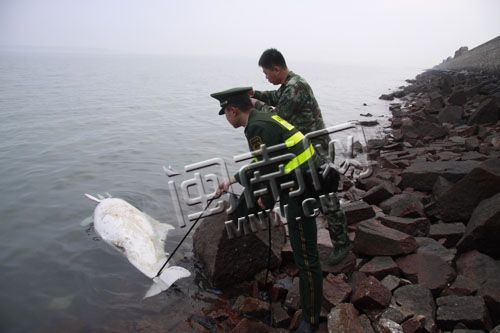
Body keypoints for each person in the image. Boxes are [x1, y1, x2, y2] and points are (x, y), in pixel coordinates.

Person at [211, 87, 323, 332]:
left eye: (225, 113)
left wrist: (268, 197)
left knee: (306, 256)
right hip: (302, 180)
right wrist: (232, 179)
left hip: (301, 189)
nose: (226, 118)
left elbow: (271, 166)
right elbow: (263, 162)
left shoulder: (256, 128)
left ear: (233, 110)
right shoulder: (261, 119)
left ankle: (311, 320)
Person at [251, 48, 351, 265]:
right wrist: (255, 93)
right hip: (307, 149)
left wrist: (254, 105)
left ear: (276, 69)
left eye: (267, 73)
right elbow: (275, 97)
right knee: (313, 193)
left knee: (327, 196)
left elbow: (277, 117)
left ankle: (342, 244)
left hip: (318, 149)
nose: (266, 77)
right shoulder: (288, 85)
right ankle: (319, 235)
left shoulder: (296, 88)